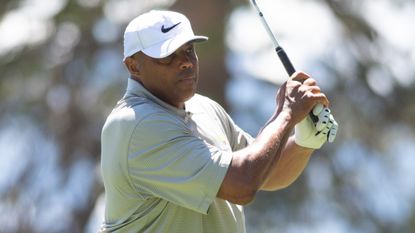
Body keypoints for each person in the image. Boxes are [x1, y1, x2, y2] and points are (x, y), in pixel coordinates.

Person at [100, 10, 338, 233]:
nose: (185, 62)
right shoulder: (136, 124)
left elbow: (267, 170)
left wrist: (305, 142)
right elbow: (242, 183)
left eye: (188, 50)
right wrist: (286, 114)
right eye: (167, 57)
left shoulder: (204, 108)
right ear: (133, 66)